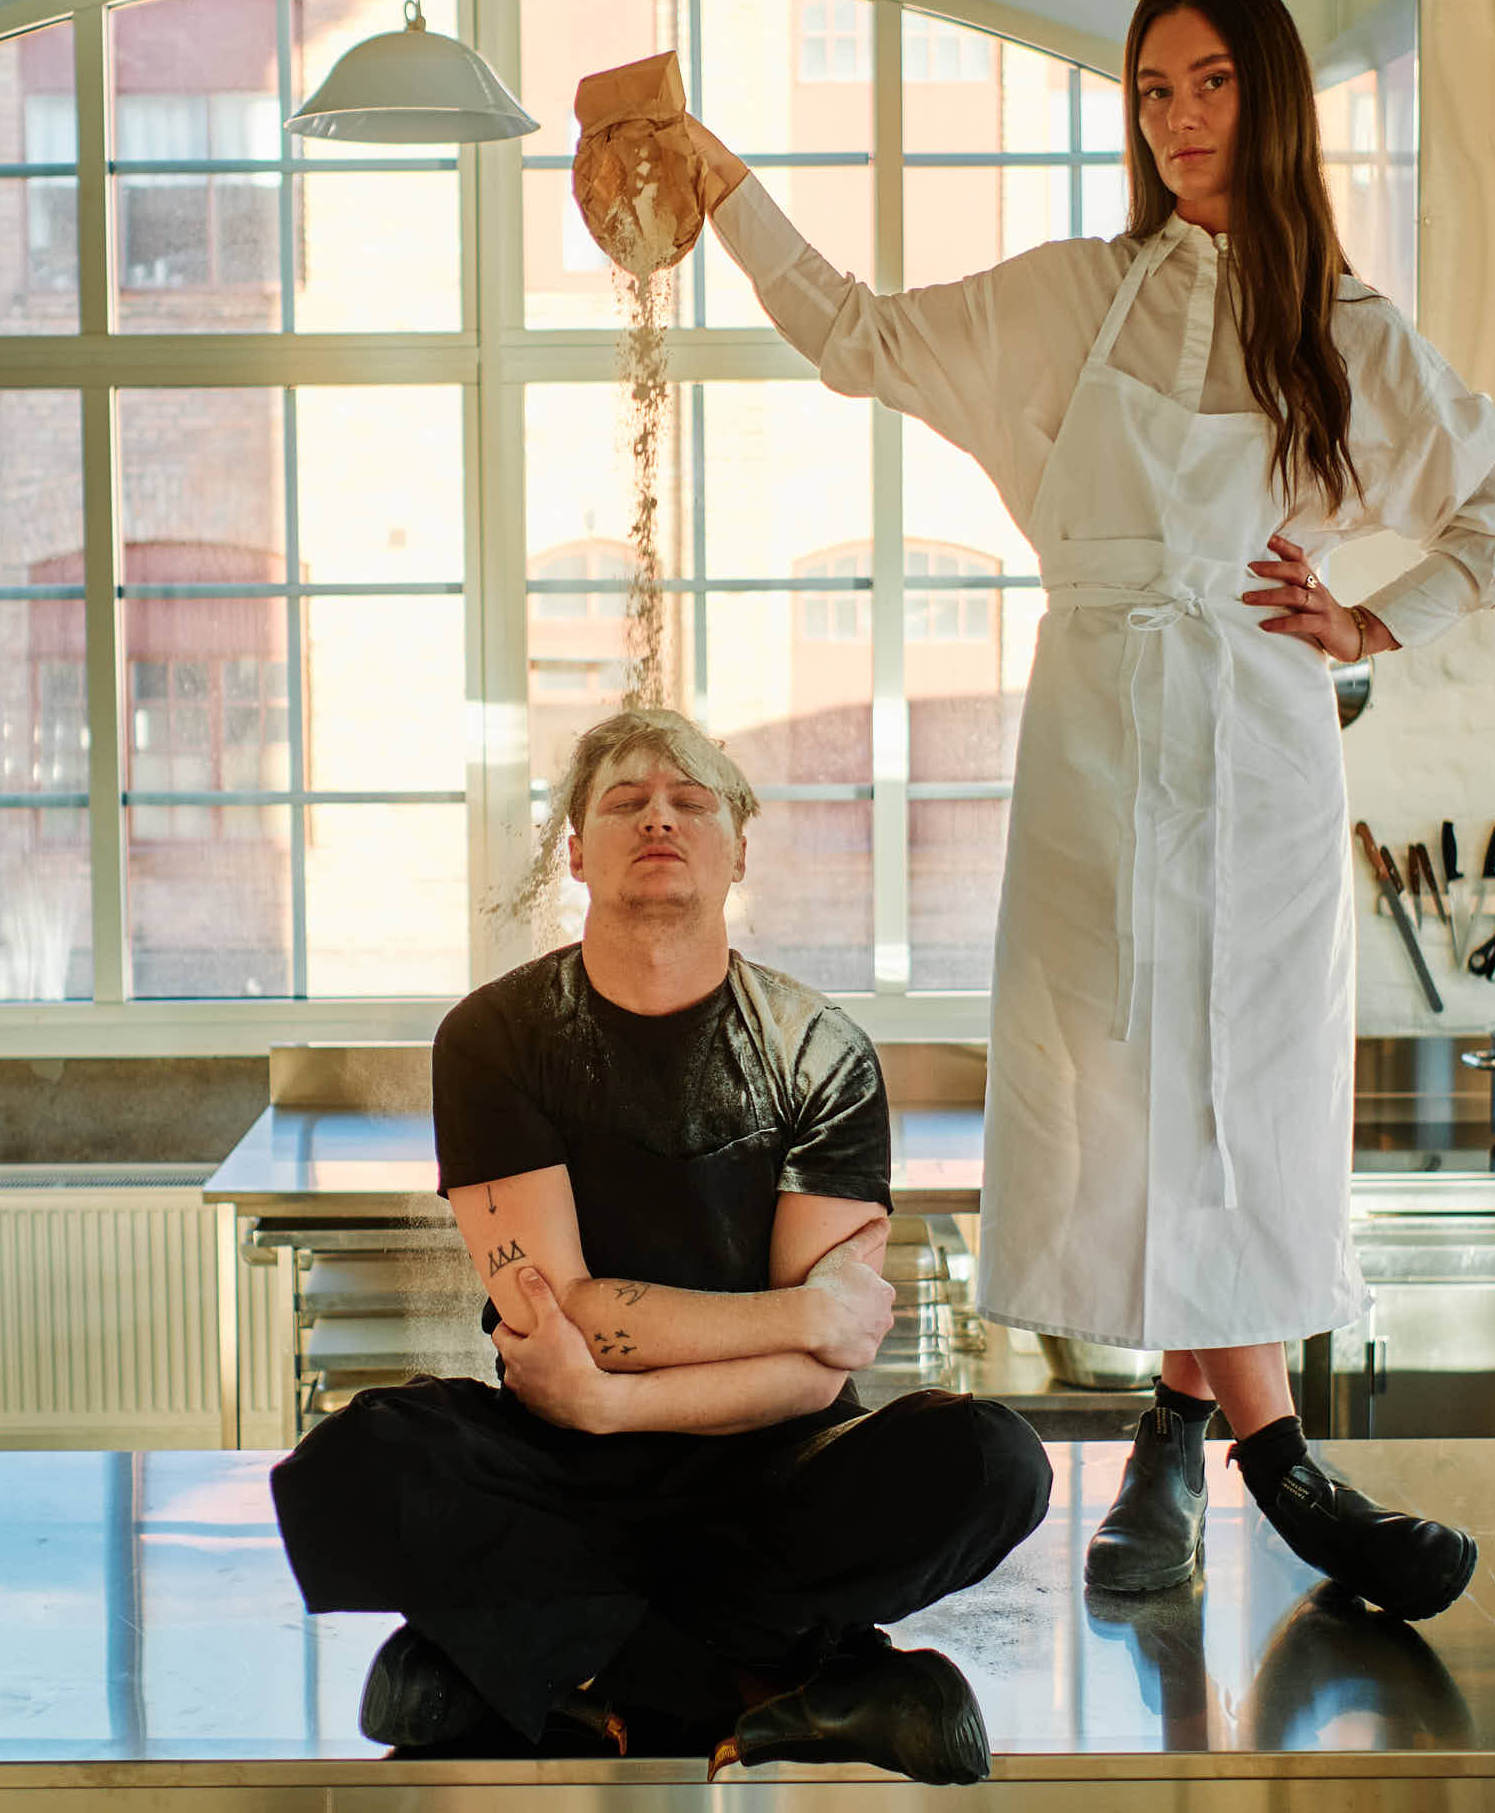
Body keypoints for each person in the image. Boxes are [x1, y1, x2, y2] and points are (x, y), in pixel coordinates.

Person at [686, 0, 1495, 1613]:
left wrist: (1379, 615)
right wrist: (726, 187)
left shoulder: (1346, 334)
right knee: (1121, 1097)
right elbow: (856, 335)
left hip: (1262, 746)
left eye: (1213, 83)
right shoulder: (1075, 296)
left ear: (1271, 99)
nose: (1181, 121)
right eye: (1154, 92)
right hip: (1094, 738)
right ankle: (1265, 1462)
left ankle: (1186, 1444)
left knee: (1246, 1100)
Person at [269, 709, 1052, 1783]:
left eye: (691, 801)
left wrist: (616, 1400)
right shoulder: (496, 1037)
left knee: (991, 1459)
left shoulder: (821, 1052)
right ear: (577, 852)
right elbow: (566, 1314)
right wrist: (790, 1316)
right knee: (365, 1458)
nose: (660, 820)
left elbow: (812, 1379)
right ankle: (778, 1675)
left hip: (776, 1473)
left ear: (739, 847)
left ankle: (569, 1665)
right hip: (557, 1468)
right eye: (626, 802)